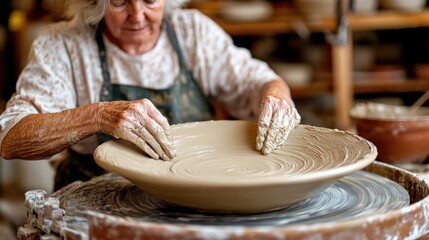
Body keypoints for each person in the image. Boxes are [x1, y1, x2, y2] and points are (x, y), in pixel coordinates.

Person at [0, 0, 301, 190]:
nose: (137, 15)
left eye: (150, 0)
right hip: (97, 201)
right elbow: (12, 139)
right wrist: (97, 116)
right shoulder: (63, 45)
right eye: (119, 2)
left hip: (192, 195)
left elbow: (262, 81)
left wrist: (276, 98)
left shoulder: (192, 32)